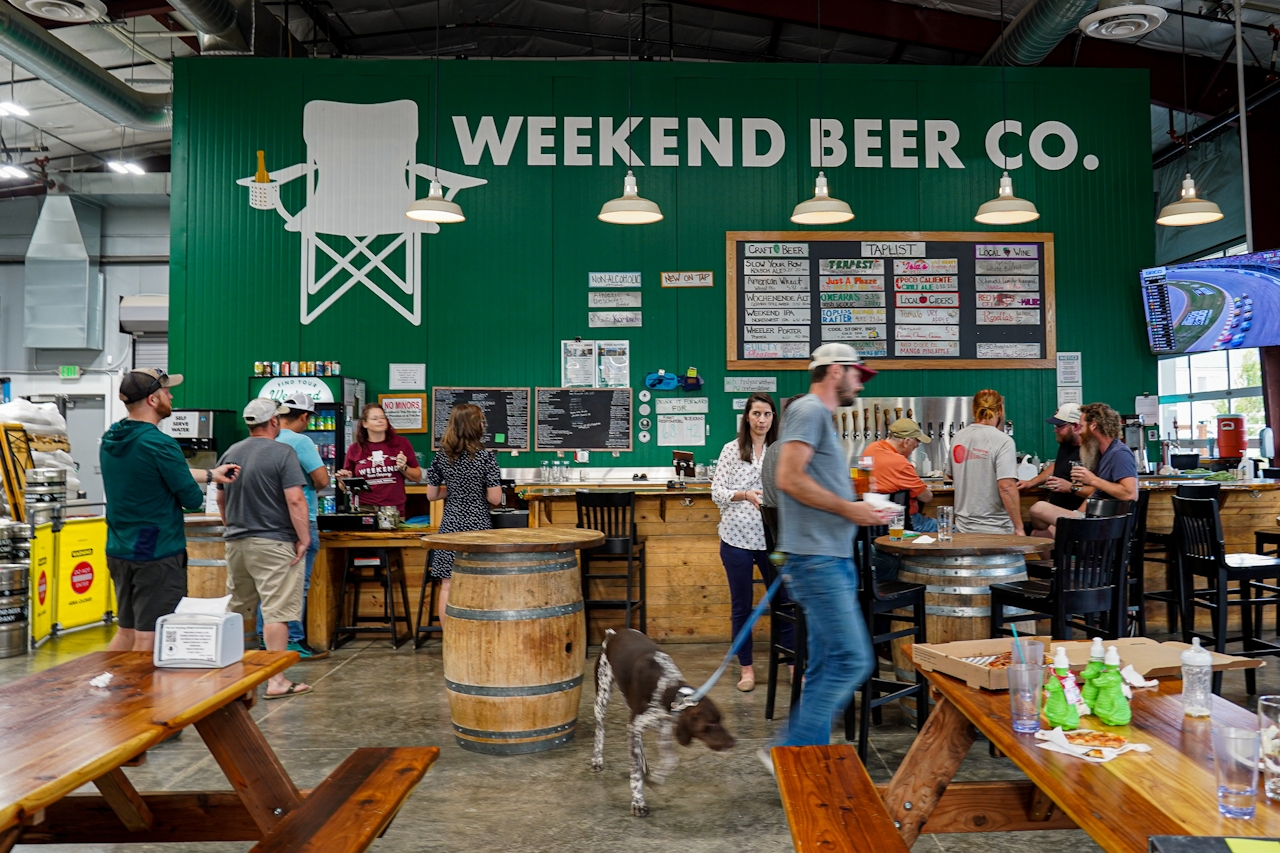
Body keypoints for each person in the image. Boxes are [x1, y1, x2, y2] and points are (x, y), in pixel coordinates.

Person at [768, 343, 889, 757]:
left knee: (823, 666)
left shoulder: (818, 416)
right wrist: (850, 510)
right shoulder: (808, 410)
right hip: (816, 560)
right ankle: (790, 748)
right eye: (858, 373)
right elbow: (788, 477)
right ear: (835, 371)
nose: (861, 382)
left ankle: (805, 761)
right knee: (852, 661)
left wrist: (856, 508)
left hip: (826, 557)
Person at [101, 368, 239, 652]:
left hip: (119, 549)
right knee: (150, 638)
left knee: (126, 632)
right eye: (166, 391)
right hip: (156, 553)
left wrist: (212, 474)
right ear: (152, 400)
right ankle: (141, 697)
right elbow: (189, 498)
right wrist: (195, 484)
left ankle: (107, 690)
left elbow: (155, 472)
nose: (171, 395)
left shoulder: (112, 437)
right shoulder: (161, 443)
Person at [217, 399, 312, 699]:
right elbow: (295, 499)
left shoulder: (231, 451)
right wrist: (304, 537)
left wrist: (231, 525)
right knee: (275, 612)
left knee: (238, 609)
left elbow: (220, 498)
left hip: (237, 541)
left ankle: (235, 678)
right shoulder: (283, 452)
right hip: (274, 541)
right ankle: (276, 680)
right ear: (274, 422)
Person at [711, 392, 792, 693]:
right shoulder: (732, 450)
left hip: (774, 539)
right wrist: (745, 494)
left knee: (785, 602)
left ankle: (794, 665)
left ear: (774, 418)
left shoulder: (780, 450)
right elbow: (717, 492)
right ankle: (746, 669)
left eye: (767, 414)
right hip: (736, 539)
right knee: (741, 607)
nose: (761, 420)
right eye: (756, 414)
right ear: (747, 417)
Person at [256, 393, 331, 659]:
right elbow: (321, 480)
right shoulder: (301, 441)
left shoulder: (261, 439)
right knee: (297, 584)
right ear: (304, 416)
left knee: (270, 584)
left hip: (266, 521)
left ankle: (267, 640)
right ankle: (293, 641)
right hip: (299, 519)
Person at [425, 403, 502, 626]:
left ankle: (450, 638)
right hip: (478, 526)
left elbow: (431, 495)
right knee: (480, 581)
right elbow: (495, 498)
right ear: (475, 425)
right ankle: (477, 634)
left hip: (450, 525)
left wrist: (454, 488)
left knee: (447, 585)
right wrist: (475, 488)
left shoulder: (441, 457)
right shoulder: (486, 458)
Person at [1029, 402, 1139, 538]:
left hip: (1100, 526)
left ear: (1093, 426)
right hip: (1088, 517)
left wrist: (1092, 480)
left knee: (1038, 508)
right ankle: (1071, 560)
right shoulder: (1102, 453)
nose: (1079, 432)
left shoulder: (1119, 453)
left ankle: (1077, 555)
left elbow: (1130, 494)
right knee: (1039, 534)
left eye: (1081, 427)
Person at [946, 389, 1024, 535]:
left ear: (973, 409)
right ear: (1000, 410)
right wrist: (1019, 527)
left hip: (963, 529)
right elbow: (1006, 486)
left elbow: (950, 475)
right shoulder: (1003, 441)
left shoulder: (958, 437)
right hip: (996, 530)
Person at [336, 404, 421, 516]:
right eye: (375, 418)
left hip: (393, 510)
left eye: (382, 417)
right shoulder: (354, 449)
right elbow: (344, 487)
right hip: (363, 509)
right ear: (364, 423)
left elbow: (418, 477)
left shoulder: (401, 444)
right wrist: (344, 480)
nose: (380, 421)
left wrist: (404, 467)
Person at [865, 417, 938, 533]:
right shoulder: (900, 463)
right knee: (949, 528)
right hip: (901, 523)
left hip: (872, 523)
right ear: (906, 442)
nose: (915, 447)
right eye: (916, 443)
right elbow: (926, 497)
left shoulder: (870, 449)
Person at [1018, 403, 1089, 513]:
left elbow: (1099, 492)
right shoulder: (1066, 444)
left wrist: (1070, 487)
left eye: (1060, 426)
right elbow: (1058, 465)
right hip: (1057, 508)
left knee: (1037, 511)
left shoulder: (1091, 452)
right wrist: (1030, 483)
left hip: (1074, 515)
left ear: (1075, 426)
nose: (1055, 430)